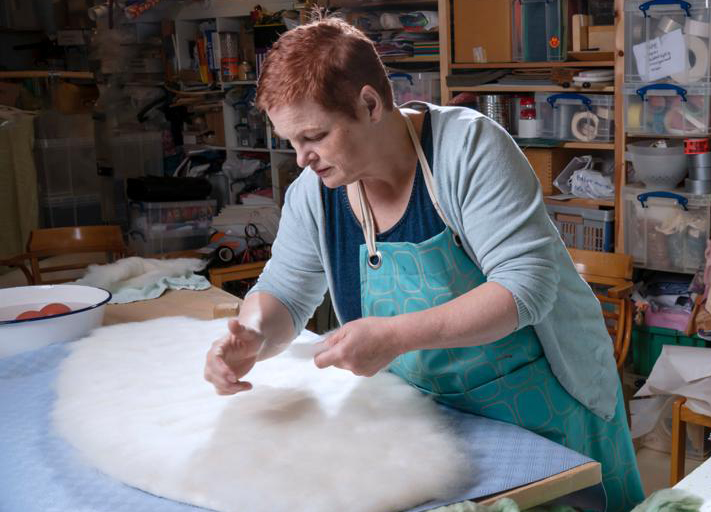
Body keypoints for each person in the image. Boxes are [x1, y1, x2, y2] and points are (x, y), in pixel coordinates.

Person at [201, 17, 644, 511]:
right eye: (291, 142)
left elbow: (526, 287)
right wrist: (254, 334)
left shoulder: (467, 147)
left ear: (370, 104)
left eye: (315, 136)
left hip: (541, 400)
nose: (302, 158)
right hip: (422, 417)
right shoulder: (316, 193)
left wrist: (394, 336)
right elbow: (283, 290)